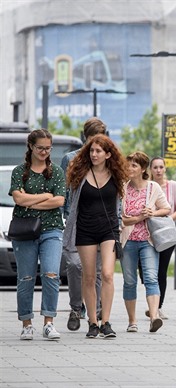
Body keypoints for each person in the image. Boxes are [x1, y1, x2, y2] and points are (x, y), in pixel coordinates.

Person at [65, 134, 128, 339]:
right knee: (89, 277)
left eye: (98, 151)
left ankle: (106, 322)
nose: (94, 154)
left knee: (108, 274)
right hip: (85, 229)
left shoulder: (116, 174)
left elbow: (120, 202)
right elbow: (71, 203)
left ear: (108, 154)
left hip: (109, 230)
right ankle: (92, 322)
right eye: (92, 150)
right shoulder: (80, 173)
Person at [10, 129, 66, 340]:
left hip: (52, 229)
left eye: (48, 148)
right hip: (25, 231)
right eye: (40, 147)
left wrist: (29, 199)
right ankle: (26, 323)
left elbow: (59, 201)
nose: (44, 152)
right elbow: (18, 200)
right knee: (25, 277)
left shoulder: (56, 171)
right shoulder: (19, 171)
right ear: (31, 147)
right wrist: (44, 196)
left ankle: (49, 322)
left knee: (51, 273)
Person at [61, 117, 107, 331]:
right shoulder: (71, 159)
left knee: (97, 271)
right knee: (74, 264)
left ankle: (96, 311)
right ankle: (75, 306)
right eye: (91, 140)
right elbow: (64, 190)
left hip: (100, 221)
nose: (94, 146)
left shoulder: (108, 160)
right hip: (75, 220)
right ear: (85, 138)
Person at [120, 151, 171, 333]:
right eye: (128, 165)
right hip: (128, 241)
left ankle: (154, 317)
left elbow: (166, 208)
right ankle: (132, 321)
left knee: (151, 278)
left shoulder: (153, 188)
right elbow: (122, 219)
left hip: (148, 241)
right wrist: (138, 217)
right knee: (129, 281)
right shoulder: (123, 188)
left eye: (134, 165)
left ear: (143, 169)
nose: (129, 168)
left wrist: (152, 213)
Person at [138, 157, 176, 320]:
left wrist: (168, 219)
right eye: (155, 167)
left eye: (161, 167)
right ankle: (153, 302)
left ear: (165, 169)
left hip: (165, 233)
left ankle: (157, 307)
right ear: (150, 169)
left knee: (161, 271)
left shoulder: (174, 187)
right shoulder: (146, 186)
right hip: (146, 232)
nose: (158, 170)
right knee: (145, 271)